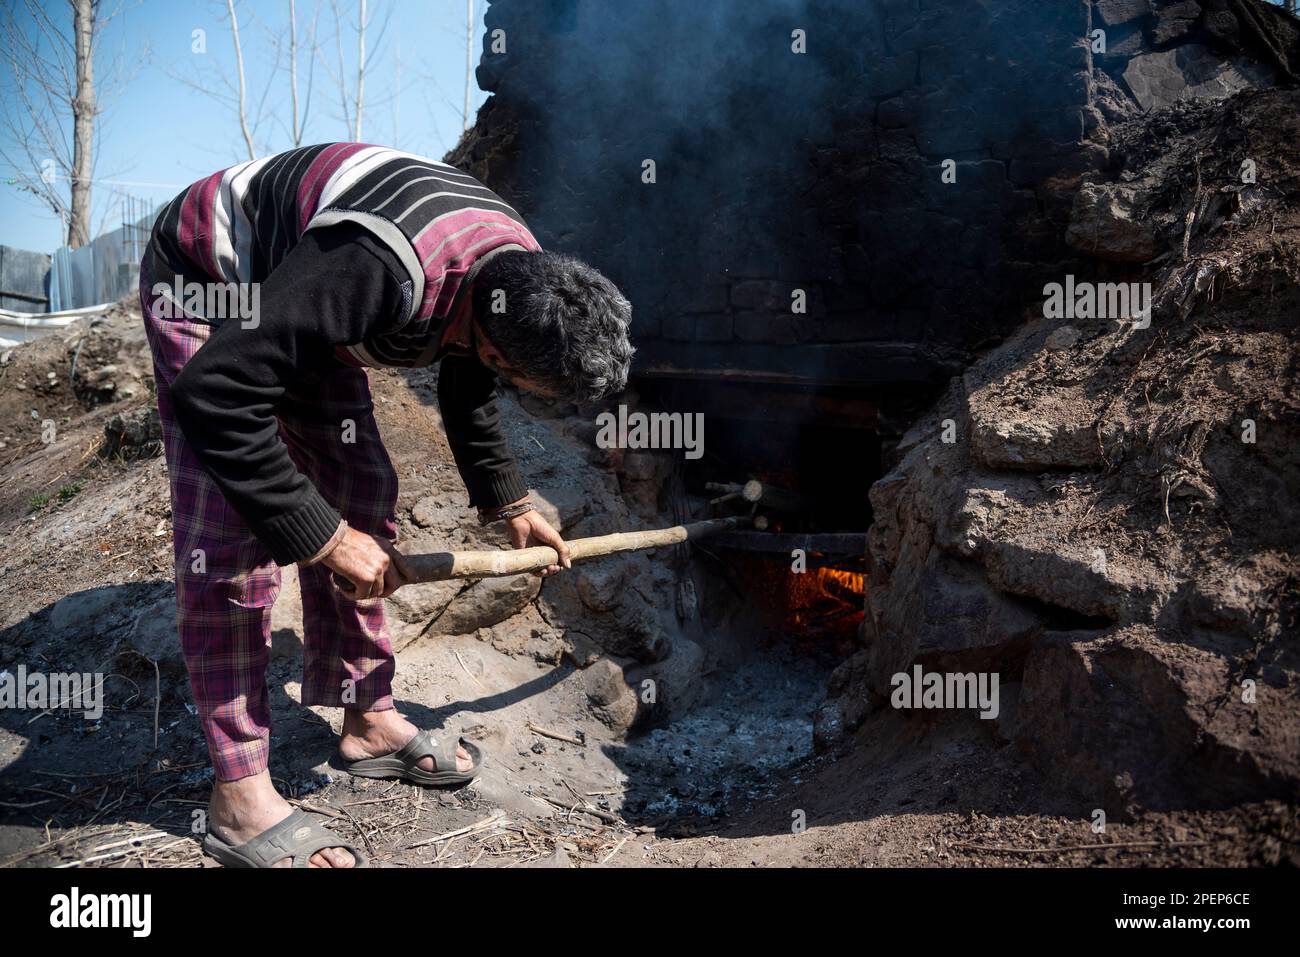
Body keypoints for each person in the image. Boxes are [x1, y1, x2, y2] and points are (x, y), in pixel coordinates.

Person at [139, 143, 634, 867]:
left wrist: (509, 500)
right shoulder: (374, 268)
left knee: (362, 488)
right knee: (234, 537)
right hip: (212, 278)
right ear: (499, 349)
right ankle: (237, 795)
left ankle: (365, 716)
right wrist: (325, 539)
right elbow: (216, 392)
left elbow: (468, 375)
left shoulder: (516, 268)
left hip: (298, 302)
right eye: (539, 389)